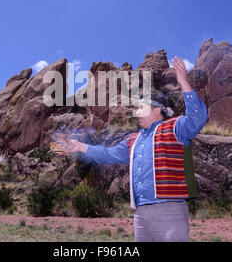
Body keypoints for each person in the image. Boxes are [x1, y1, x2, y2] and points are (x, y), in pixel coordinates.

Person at [64, 56, 209, 242]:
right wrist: (81, 146)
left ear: (157, 109)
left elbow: (198, 118)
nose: (137, 113)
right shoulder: (133, 140)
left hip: (169, 212)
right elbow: (109, 154)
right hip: (140, 215)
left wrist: (183, 82)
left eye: (142, 108)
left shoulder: (175, 128)